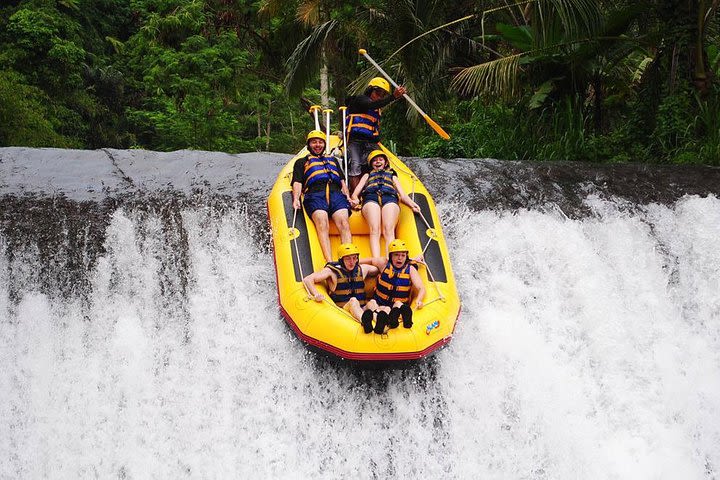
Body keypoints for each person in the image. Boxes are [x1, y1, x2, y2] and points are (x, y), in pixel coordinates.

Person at [292, 130, 352, 262]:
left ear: (324, 145)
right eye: (314, 142)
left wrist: (347, 197)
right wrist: (296, 199)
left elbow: (342, 181)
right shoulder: (301, 162)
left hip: (335, 193)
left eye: (320, 142)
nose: (317, 145)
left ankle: (348, 260)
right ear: (309, 145)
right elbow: (297, 182)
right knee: (322, 222)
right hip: (315, 194)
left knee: (344, 222)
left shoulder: (333, 161)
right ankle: (330, 262)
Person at [350, 149, 420, 257]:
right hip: (371, 198)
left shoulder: (392, 174)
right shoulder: (367, 175)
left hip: (389, 198)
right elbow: (355, 193)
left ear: (385, 162)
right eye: (375, 160)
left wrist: (412, 204)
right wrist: (355, 200)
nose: (378, 162)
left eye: (380, 159)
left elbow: (403, 195)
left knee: (389, 229)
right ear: (371, 164)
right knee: (375, 229)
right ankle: (376, 260)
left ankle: (389, 260)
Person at [344, 77, 407, 193]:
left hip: (371, 142)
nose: (379, 96)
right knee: (355, 164)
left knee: (382, 162)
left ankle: (384, 190)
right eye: (378, 92)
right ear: (370, 90)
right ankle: (356, 195)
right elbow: (372, 105)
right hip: (355, 140)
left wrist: (396, 96)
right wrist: (393, 96)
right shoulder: (360, 100)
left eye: (382, 95)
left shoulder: (377, 108)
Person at [303, 243, 380, 334]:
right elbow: (307, 279)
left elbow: (376, 269)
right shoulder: (331, 272)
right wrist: (316, 294)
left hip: (362, 307)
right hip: (343, 310)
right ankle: (365, 322)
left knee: (372, 303)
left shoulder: (362, 269)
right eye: (348, 258)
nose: (351, 262)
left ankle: (380, 323)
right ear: (341, 260)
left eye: (354, 258)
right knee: (353, 301)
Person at [362, 239, 425, 334]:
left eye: (403, 255)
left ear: (406, 257)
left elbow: (421, 288)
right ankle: (384, 321)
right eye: (396, 255)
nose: (400, 258)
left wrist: (418, 300)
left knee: (399, 305)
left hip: (395, 305)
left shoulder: (410, 269)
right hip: (379, 303)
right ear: (391, 256)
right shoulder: (383, 263)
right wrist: (347, 263)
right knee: (372, 303)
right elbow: (370, 260)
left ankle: (393, 320)